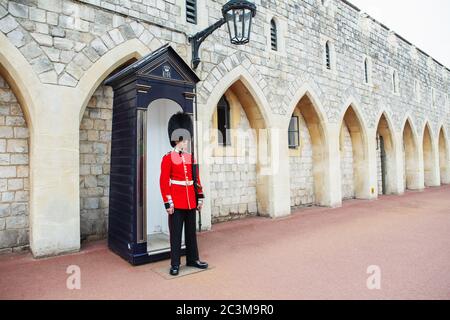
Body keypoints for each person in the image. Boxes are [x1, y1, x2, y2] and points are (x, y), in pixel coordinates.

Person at [159, 112, 208, 276]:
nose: (186, 143)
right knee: (175, 234)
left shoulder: (190, 157)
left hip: (190, 200)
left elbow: (196, 179)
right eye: (184, 139)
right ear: (176, 139)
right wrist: (168, 202)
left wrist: (199, 197)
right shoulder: (167, 158)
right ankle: (175, 263)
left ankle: (193, 259)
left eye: (187, 139)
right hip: (177, 201)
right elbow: (164, 182)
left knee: (191, 233)